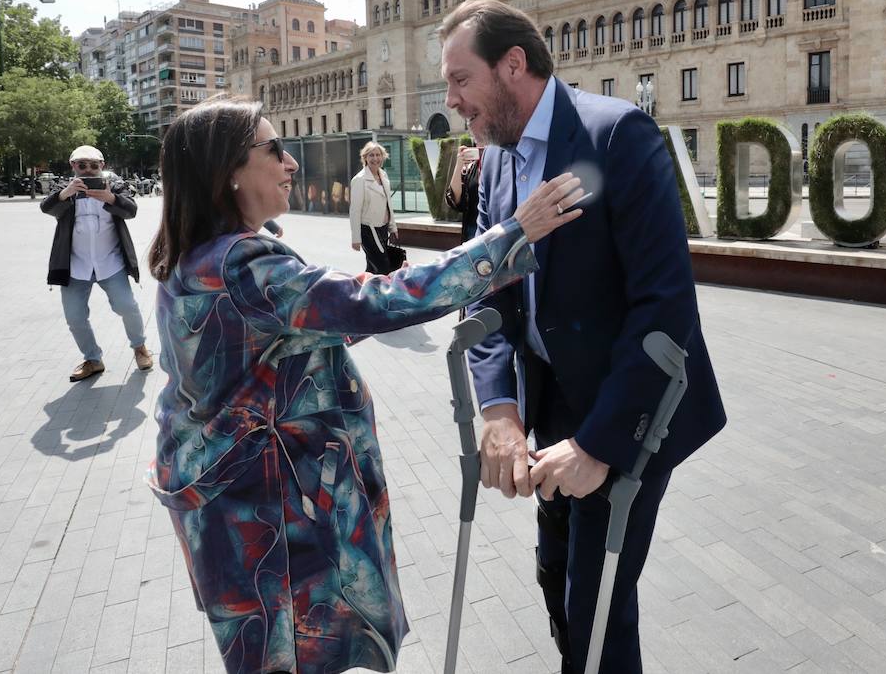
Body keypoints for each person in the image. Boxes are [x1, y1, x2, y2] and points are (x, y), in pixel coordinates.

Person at [145, 97, 582, 674]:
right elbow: (373, 300)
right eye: (274, 149)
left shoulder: (203, 257)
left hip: (243, 509)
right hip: (274, 517)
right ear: (227, 170)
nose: (290, 163)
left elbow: (297, 335)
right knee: (296, 656)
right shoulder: (239, 264)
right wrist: (511, 234)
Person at [439, 0, 726, 674]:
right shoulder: (498, 159)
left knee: (595, 606)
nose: (450, 99)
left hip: (629, 410)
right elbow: (493, 292)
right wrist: (500, 411)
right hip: (554, 405)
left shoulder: (616, 135)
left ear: (514, 65)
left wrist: (599, 445)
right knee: (555, 576)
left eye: (460, 80)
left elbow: (666, 304)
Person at [40, 145, 153, 382]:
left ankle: (140, 347)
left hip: (110, 262)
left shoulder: (114, 185)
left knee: (127, 306)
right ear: (73, 166)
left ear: (102, 165)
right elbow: (47, 208)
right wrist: (65, 194)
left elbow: (131, 210)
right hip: (75, 266)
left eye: (94, 165)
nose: (88, 170)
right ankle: (92, 359)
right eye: (82, 165)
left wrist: (110, 198)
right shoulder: (65, 187)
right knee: (74, 317)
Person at [349, 141, 398, 273]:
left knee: (372, 267)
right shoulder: (359, 180)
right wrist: (356, 238)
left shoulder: (384, 176)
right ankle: (382, 293)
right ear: (365, 158)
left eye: (378, 155)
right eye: (371, 155)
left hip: (382, 228)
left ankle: (363, 291)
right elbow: (355, 211)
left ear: (383, 157)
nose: (375, 158)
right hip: (367, 230)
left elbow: (388, 204)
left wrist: (393, 227)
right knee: (383, 266)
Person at [445, 143, 482, 242]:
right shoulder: (472, 168)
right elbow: (454, 200)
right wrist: (459, 164)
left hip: (496, 230)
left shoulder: (503, 164)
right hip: (473, 231)